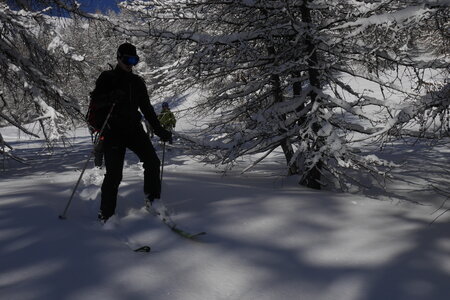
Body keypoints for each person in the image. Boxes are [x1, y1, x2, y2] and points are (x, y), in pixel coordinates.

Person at [89, 42, 171, 223]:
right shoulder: (107, 77)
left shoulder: (137, 82)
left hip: (134, 129)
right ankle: (106, 214)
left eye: (134, 60)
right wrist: (110, 97)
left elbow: (147, 109)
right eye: (127, 59)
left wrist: (159, 130)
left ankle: (153, 200)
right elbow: (95, 100)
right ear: (119, 58)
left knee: (152, 161)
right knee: (114, 173)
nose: (130, 64)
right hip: (112, 131)